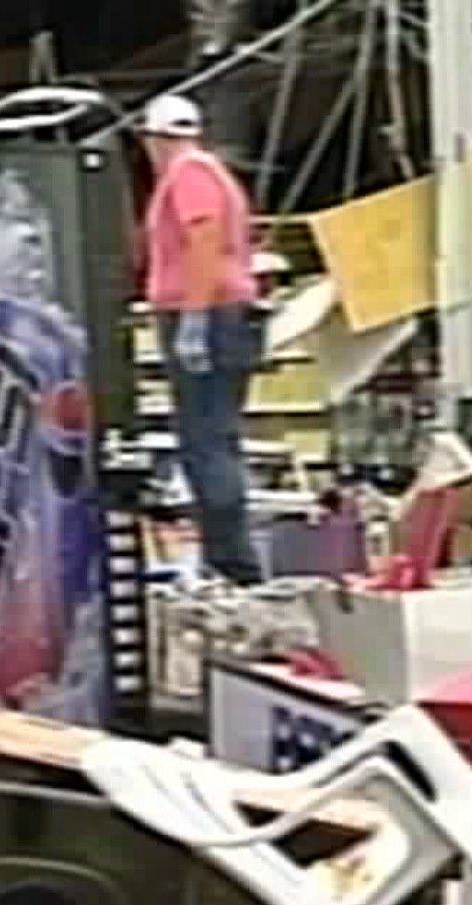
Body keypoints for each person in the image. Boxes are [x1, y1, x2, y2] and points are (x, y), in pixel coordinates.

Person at [139, 92, 267, 585]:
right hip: (221, 312)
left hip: (208, 314)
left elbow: (204, 238)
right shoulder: (211, 172)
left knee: (206, 443)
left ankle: (233, 566)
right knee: (215, 440)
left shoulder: (189, 174)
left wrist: (193, 316)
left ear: (156, 139)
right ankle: (230, 559)